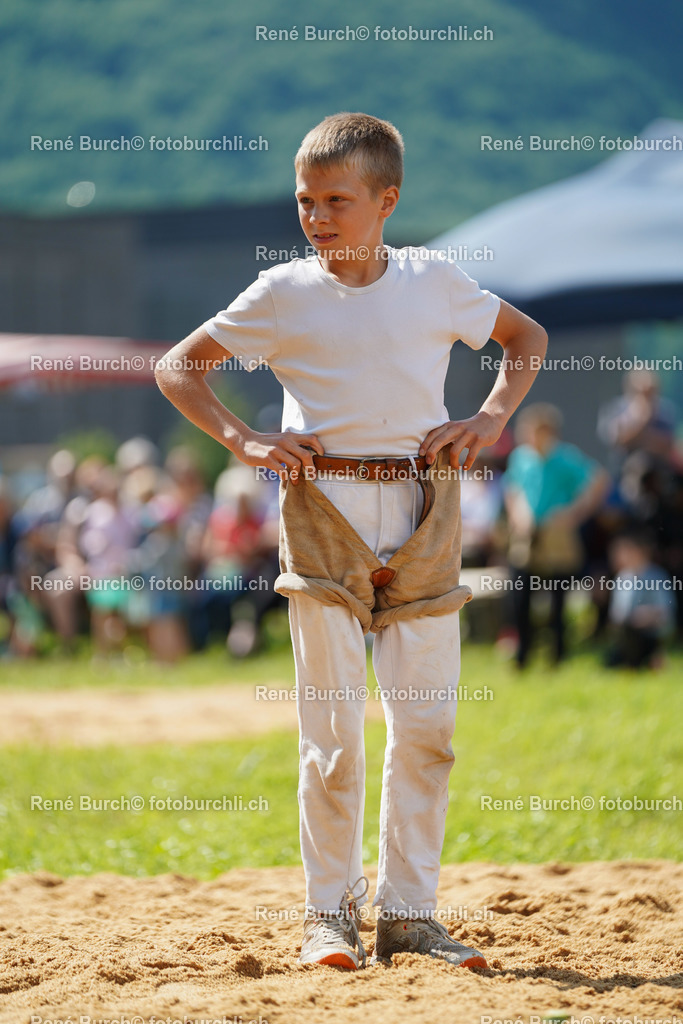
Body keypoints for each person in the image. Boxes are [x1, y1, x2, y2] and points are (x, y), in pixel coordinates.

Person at [155, 112, 548, 971]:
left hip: (423, 512)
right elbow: (178, 367)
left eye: (337, 199)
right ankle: (327, 916)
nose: (316, 216)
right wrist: (245, 442)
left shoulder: (435, 282)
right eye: (305, 200)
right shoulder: (281, 294)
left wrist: (487, 416)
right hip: (322, 515)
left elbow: (526, 340)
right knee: (330, 735)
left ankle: (409, 917)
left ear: (386, 200)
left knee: (427, 730)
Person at [504, 403, 608, 668]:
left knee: (558, 598)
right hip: (528, 536)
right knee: (520, 594)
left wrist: (573, 514)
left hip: (557, 537)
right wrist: (518, 513)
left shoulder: (565, 457)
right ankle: (523, 655)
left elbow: (598, 480)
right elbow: (512, 488)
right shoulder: (521, 457)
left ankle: (557, 656)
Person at [604, 529, 674, 669]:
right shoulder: (622, 577)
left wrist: (647, 615)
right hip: (628, 634)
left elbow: (667, 612)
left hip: (650, 633)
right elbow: (617, 614)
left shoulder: (656, 576)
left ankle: (654, 656)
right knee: (612, 661)